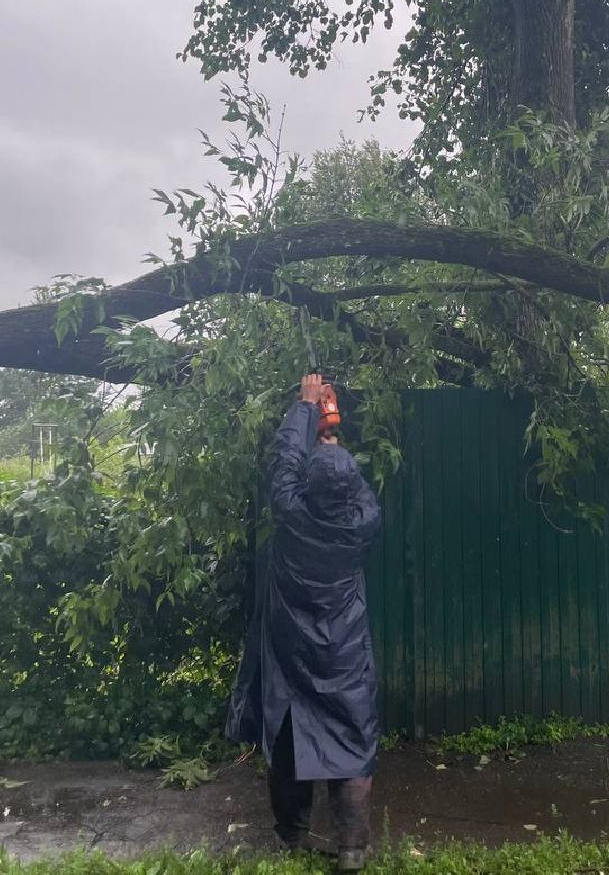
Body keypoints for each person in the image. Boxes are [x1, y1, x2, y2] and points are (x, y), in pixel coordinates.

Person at [226, 373, 382, 871]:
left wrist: (305, 407)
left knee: (290, 736)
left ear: (307, 488)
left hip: (292, 647)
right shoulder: (363, 520)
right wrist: (333, 446)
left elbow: (285, 465)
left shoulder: (292, 513)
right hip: (345, 649)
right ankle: (352, 848)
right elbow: (346, 484)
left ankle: (291, 836)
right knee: (353, 739)